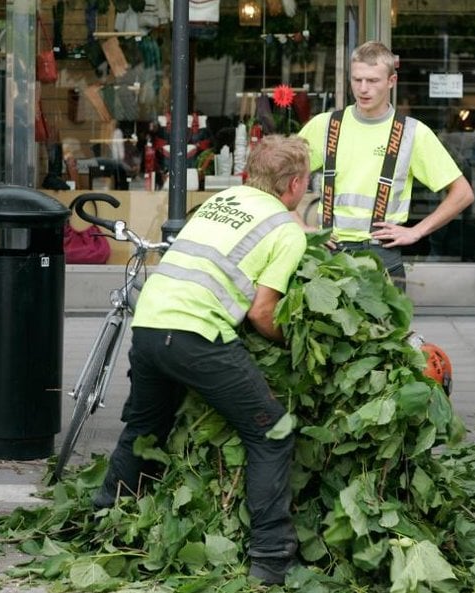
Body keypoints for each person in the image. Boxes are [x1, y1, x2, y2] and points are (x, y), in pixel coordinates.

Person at [92, 135, 310, 586]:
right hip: (195, 336)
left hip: (150, 323)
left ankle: (103, 522)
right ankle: (272, 558)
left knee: (145, 426)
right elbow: (263, 312)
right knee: (272, 432)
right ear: (293, 184)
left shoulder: (223, 198)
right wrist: (295, 344)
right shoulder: (285, 231)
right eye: (306, 181)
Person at [297, 40, 474, 288]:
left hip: (381, 257)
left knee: (386, 328)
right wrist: (301, 226)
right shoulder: (325, 125)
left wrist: (416, 231)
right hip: (329, 254)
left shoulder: (412, 133)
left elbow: (463, 193)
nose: (363, 89)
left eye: (373, 80)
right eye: (357, 80)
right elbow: (276, 181)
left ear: (391, 81)